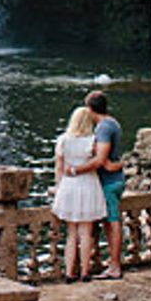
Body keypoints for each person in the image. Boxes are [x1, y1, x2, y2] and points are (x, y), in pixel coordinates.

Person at [50, 106, 107, 281]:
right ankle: (85, 272)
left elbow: (59, 168)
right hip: (88, 184)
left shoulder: (63, 140)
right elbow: (98, 162)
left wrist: (58, 188)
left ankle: (69, 272)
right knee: (86, 233)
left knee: (71, 234)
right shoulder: (93, 140)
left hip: (69, 186)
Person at [84, 89, 125, 279]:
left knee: (113, 222)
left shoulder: (103, 128)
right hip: (114, 179)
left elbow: (101, 160)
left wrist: (76, 170)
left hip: (109, 182)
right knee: (109, 223)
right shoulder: (113, 123)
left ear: (91, 109)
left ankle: (115, 266)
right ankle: (111, 264)